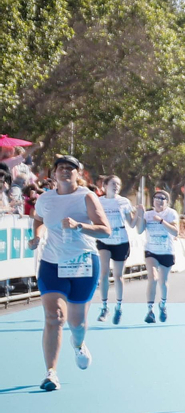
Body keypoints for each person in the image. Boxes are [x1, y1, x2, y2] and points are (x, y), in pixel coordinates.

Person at [30, 156, 110, 391]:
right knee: (54, 317)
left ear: (78, 174)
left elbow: (105, 230)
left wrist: (79, 226)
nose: (65, 171)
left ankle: (78, 344)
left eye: (71, 168)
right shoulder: (45, 199)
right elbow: (38, 219)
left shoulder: (87, 196)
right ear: (54, 173)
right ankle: (51, 373)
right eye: (61, 168)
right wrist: (37, 235)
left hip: (82, 264)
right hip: (52, 262)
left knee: (77, 322)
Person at [95, 176, 135, 325]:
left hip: (121, 240)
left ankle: (119, 306)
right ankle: (104, 307)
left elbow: (131, 223)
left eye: (118, 184)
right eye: (113, 183)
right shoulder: (98, 201)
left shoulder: (124, 202)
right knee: (104, 273)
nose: (116, 186)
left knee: (118, 275)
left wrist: (139, 213)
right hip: (104, 239)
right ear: (105, 185)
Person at [136, 188, 180, 323]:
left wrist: (161, 221)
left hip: (166, 251)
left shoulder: (171, 213)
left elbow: (175, 232)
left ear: (167, 202)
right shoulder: (148, 214)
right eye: (157, 198)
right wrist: (140, 215)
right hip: (151, 251)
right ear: (153, 201)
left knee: (163, 281)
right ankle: (150, 310)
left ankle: (163, 304)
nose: (159, 201)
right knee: (153, 278)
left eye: (162, 199)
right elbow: (139, 230)